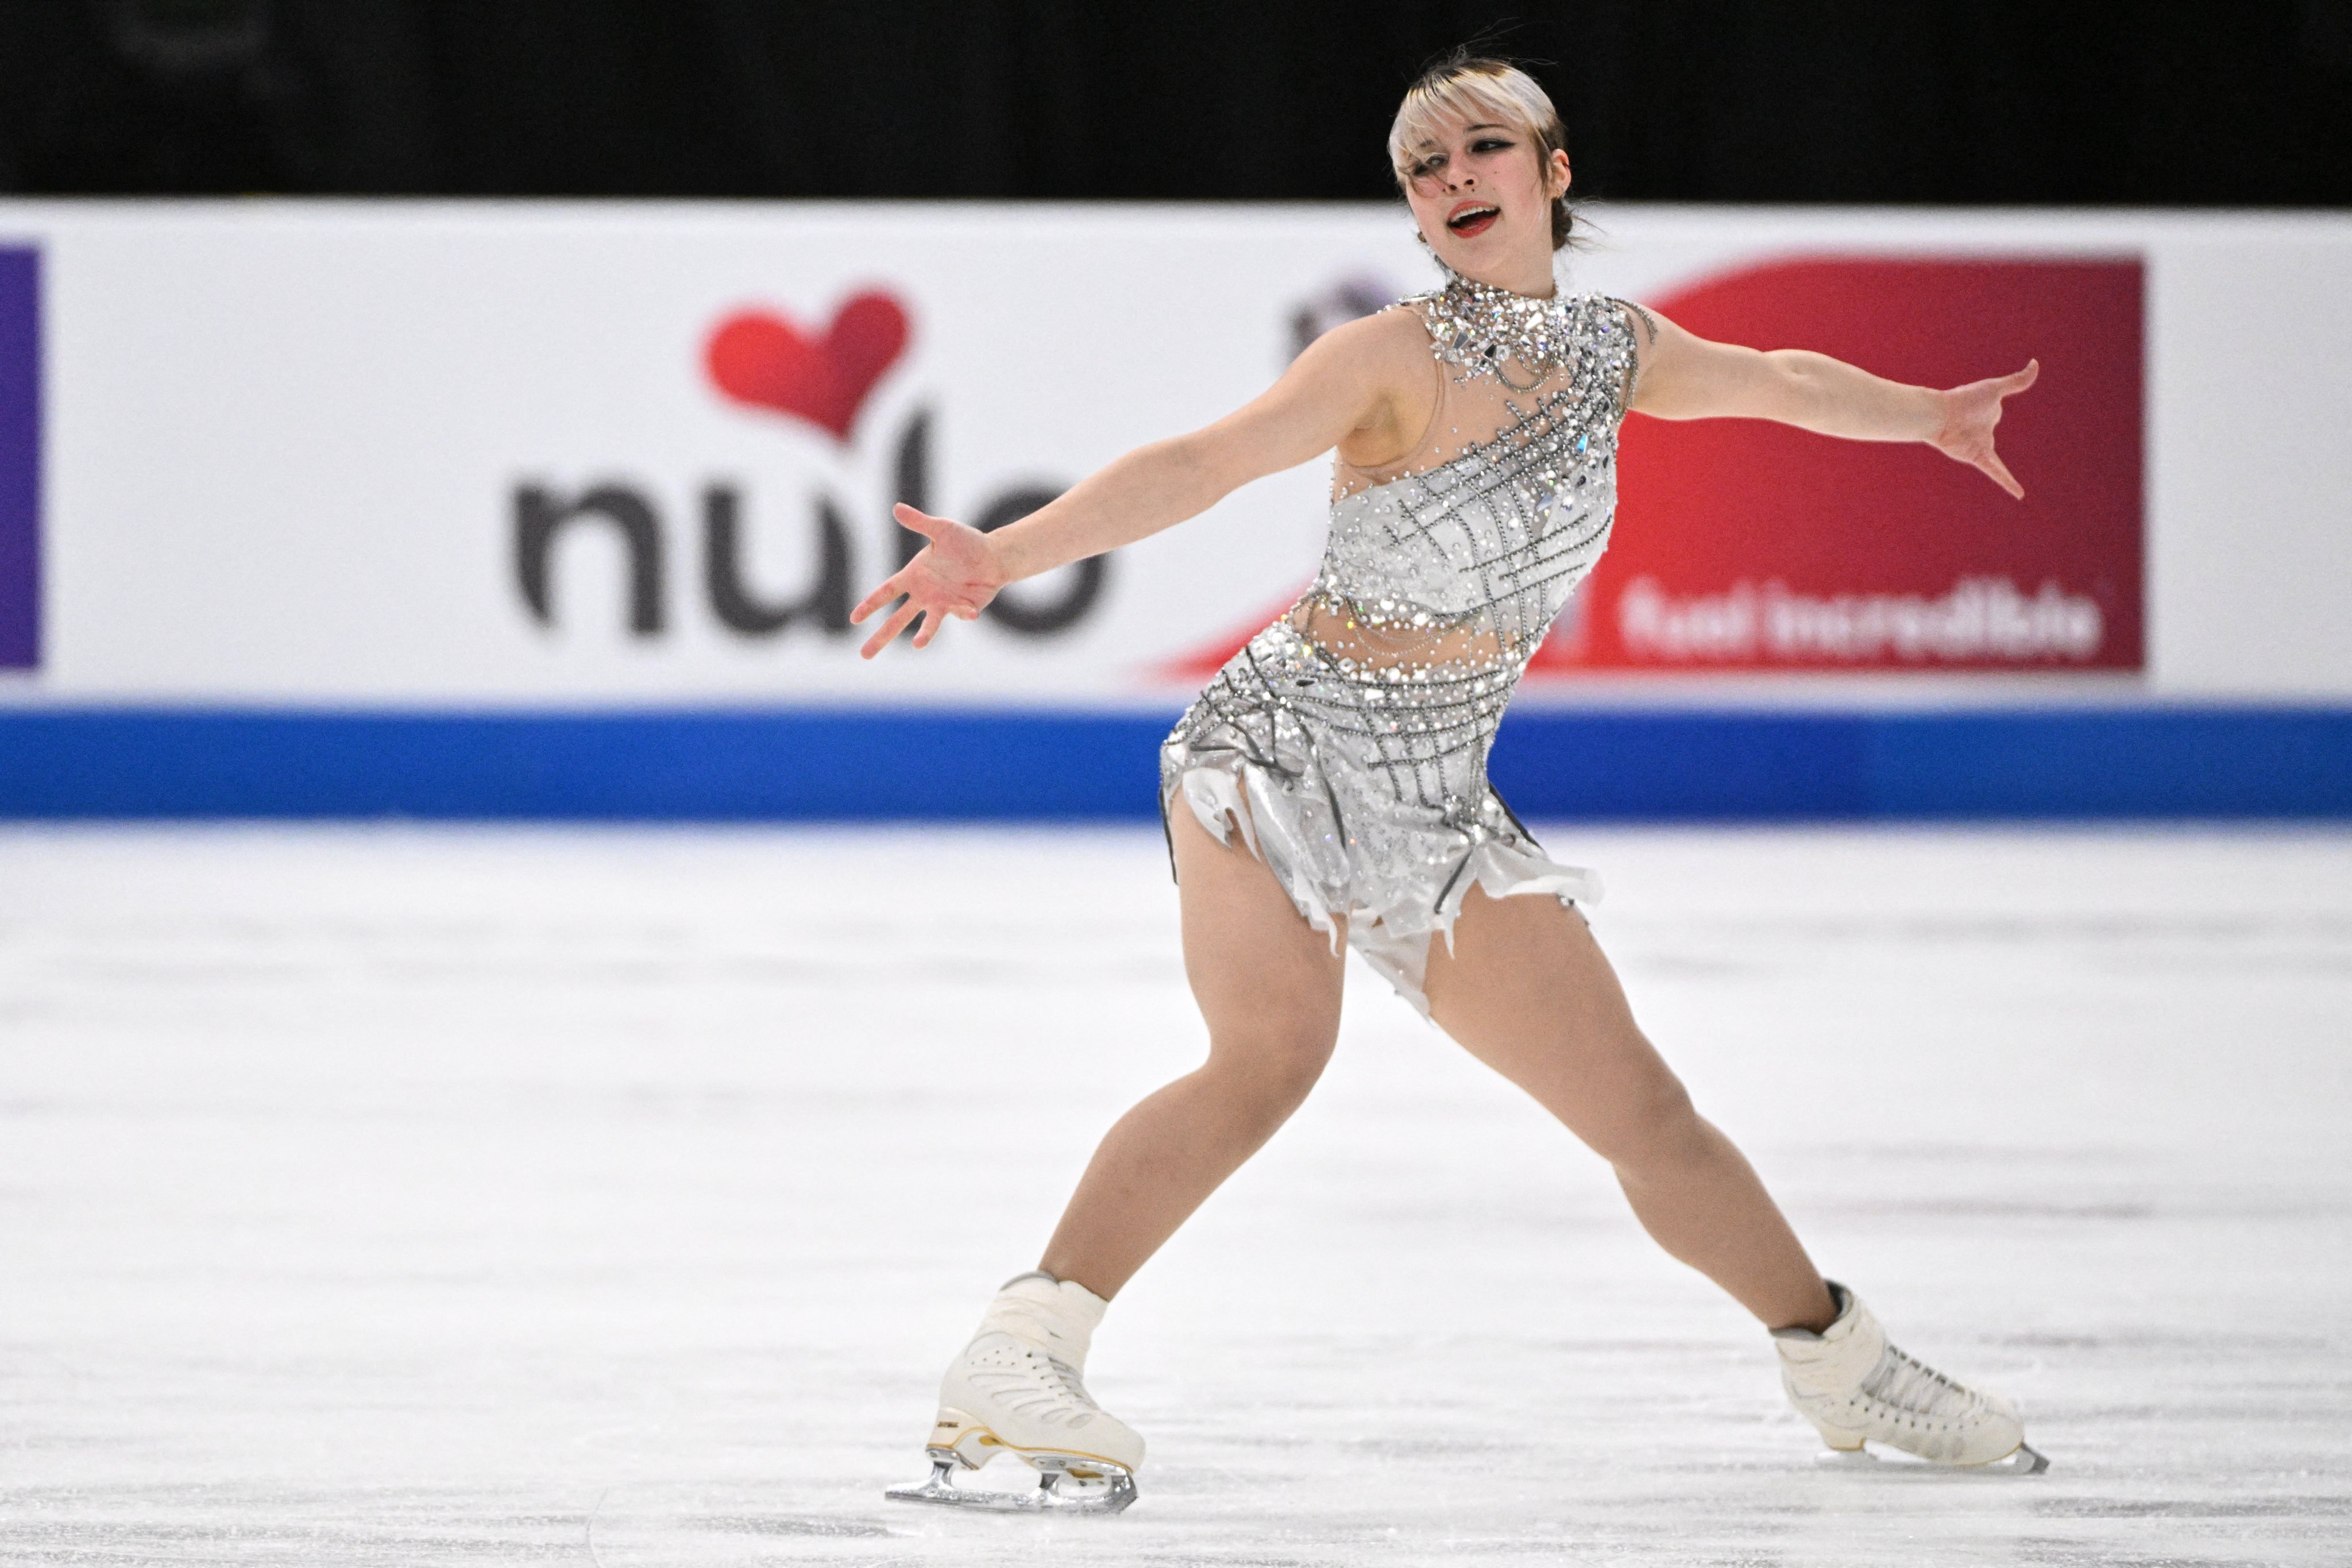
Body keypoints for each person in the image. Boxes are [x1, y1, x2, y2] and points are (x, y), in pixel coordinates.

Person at [853, 53, 2047, 1514]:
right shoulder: (1387, 356)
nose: (1451, 177)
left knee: (1644, 1114)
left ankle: (1835, 1357)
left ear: (1551, 172)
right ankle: (1024, 1342)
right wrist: (1003, 555)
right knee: (1270, 1056)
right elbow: (1201, 463)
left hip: (1434, 802)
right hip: (1277, 749)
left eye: (1483, 146)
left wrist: (1924, 415)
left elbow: (1782, 382)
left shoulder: (1618, 351)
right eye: (1423, 164)